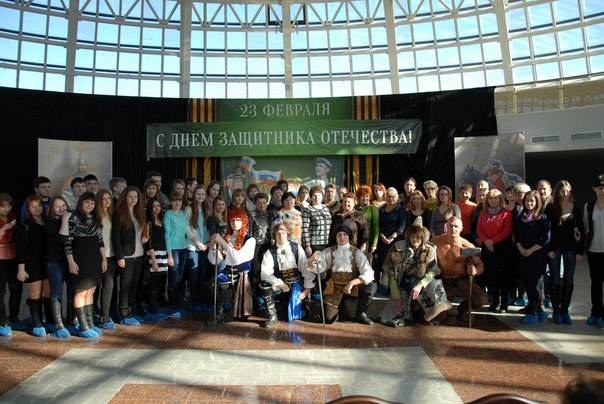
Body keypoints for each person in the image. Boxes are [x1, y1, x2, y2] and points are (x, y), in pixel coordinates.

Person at [379, 217, 451, 327]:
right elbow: (390, 272)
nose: (415, 239)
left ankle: (430, 314)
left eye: (418, 237)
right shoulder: (398, 248)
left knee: (434, 285)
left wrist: (420, 285)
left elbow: (433, 271)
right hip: (400, 283)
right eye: (413, 236)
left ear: (423, 238)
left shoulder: (429, 250)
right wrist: (396, 295)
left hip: (420, 283)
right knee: (397, 315)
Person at [301, 224, 376, 325]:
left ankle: (361, 314)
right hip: (335, 289)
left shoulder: (357, 253)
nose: (342, 237)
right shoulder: (328, 252)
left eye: (345, 235)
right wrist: (312, 261)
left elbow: (369, 273)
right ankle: (339, 308)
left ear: (349, 236)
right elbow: (318, 268)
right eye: (339, 235)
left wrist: (352, 283)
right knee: (328, 319)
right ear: (335, 237)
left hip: (352, 288)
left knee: (371, 285)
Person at [64, 192, 107, 338]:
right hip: (80, 258)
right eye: (87, 202)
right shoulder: (73, 218)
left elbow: (100, 241)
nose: (90, 205)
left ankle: (90, 323)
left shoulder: (95, 218)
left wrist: (104, 259)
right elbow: (68, 242)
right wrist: (71, 261)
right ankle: (83, 326)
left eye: (92, 203)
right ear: (81, 202)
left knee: (91, 291)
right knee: (81, 291)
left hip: (94, 258)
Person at [545, 180, 584, 325]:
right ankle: (556, 310)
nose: (565, 193)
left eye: (568, 191)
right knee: (555, 279)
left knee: (569, 280)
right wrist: (548, 249)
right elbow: (546, 230)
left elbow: (581, 230)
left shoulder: (576, 208)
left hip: (571, 249)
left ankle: (564, 310)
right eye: (563, 191)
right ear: (557, 192)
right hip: (555, 248)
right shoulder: (551, 208)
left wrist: (580, 251)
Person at [432, 216, 487, 322]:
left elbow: (480, 264)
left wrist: (475, 271)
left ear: (461, 228)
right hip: (443, 283)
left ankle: (463, 309)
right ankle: (444, 308)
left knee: (481, 299)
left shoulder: (467, 245)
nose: (453, 229)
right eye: (450, 226)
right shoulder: (436, 242)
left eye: (456, 226)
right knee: (440, 317)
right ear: (446, 227)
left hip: (462, 283)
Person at [208, 207, 256, 324]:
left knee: (241, 317)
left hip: (243, 275)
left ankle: (235, 307)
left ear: (243, 222)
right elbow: (215, 261)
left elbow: (236, 259)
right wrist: (213, 247)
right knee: (213, 284)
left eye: (238, 220)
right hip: (228, 272)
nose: (235, 223)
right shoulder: (227, 238)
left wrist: (222, 242)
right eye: (232, 220)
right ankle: (220, 314)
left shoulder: (250, 240)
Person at [259, 224, 309, 327]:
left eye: (283, 233)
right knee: (264, 285)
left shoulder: (296, 248)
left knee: (299, 313)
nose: (281, 236)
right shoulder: (270, 252)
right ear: (274, 235)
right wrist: (280, 284)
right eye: (278, 234)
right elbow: (265, 273)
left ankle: (301, 306)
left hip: (296, 285)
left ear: (287, 234)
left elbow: (305, 268)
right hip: (281, 286)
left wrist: (307, 289)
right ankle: (272, 316)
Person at [112, 186, 148, 325]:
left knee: (135, 283)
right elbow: (115, 237)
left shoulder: (140, 213)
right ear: (125, 198)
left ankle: (132, 308)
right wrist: (119, 256)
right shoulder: (119, 213)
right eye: (130, 196)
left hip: (139, 253)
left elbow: (142, 231)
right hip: (126, 255)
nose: (133, 199)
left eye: (135, 197)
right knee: (125, 284)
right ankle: (124, 311)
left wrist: (145, 238)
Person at [514, 190, 550, 324]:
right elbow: (516, 235)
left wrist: (530, 250)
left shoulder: (542, 217)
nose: (529, 203)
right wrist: (521, 248)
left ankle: (533, 312)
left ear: (537, 202)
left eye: (532, 200)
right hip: (523, 255)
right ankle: (535, 307)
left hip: (536, 256)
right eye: (527, 200)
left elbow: (546, 238)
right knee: (526, 282)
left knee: (535, 284)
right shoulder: (521, 217)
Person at [17, 195, 49, 337]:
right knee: (35, 296)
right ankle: (37, 323)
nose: (36, 209)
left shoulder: (49, 223)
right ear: (28, 209)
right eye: (32, 207)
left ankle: (49, 320)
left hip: (48, 263)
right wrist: (21, 269)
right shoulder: (25, 226)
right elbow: (21, 249)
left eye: (39, 206)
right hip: (31, 264)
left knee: (49, 294)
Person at [477, 189, 514, 313]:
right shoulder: (484, 212)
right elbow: (479, 229)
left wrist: (492, 241)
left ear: (500, 199)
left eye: (496, 198)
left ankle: (504, 303)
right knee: (490, 275)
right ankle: (495, 300)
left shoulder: (506, 213)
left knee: (503, 276)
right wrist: (486, 242)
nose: (493, 201)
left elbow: (507, 231)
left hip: (502, 247)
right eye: (491, 198)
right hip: (487, 247)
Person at [44, 196, 72, 338]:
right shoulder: (49, 222)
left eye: (63, 205)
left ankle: (70, 321)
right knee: (56, 292)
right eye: (57, 206)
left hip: (69, 260)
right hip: (54, 261)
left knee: (72, 291)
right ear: (52, 208)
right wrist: (66, 219)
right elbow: (62, 238)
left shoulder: (69, 218)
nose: (61, 208)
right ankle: (58, 324)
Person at [0, 193, 24, 336]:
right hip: (1, 257)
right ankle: (3, 321)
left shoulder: (13, 215)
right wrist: (4, 229)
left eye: (9, 205)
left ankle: (14, 317)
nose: (6, 209)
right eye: (2, 206)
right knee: (1, 290)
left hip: (13, 255)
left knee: (16, 288)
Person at [94, 189, 117, 330]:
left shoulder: (112, 215)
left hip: (112, 255)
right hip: (98, 257)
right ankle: (93, 315)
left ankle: (105, 316)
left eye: (109, 198)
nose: (107, 201)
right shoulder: (95, 217)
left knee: (109, 286)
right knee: (95, 287)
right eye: (104, 198)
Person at [185, 185, 210, 311]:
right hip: (193, 246)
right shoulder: (189, 209)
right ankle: (195, 302)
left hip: (205, 246)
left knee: (203, 275)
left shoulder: (208, 209)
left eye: (203, 194)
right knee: (193, 274)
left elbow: (209, 228)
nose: (200, 196)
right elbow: (186, 228)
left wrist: (207, 243)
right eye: (198, 194)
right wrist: (197, 242)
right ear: (194, 195)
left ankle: (202, 301)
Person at [583, 174, 604, 328]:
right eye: (600, 188)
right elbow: (586, 227)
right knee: (596, 282)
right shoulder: (589, 206)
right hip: (594, 250)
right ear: (594, 189)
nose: (603, 191)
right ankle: (595, 312)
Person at [163, 192, 188, 314]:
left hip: (183, 247)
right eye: (174, 200)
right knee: (174, 277)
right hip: (173, 249)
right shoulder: (168, 214)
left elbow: (186, 231)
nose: (177, 203)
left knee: (180, 277)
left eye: (179, 200)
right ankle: (172, 304)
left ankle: (179, 302)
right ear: (170, 202)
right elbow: (167, 235)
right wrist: (169, 255)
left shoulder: (182, 214)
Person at [144, 197, 169, 321]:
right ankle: (152, 310)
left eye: (159, 205)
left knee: (160, 283)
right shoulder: (149, 223)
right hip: (154, 255)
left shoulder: (162, 220)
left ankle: (156, 307)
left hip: (163, 253)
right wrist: (153, 260)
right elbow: (149, 243)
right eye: (154, 206)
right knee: (154, 284)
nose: (157, 208)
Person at [376, 187, 406, 285]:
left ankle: (393, 286)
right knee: (383, 262)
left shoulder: (400, 209)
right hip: (382, 240)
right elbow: (378, 224)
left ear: (397, 197)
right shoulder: (382, 209)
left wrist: (392, 237)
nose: (391, 199)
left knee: (394, 263)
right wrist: (381, 235)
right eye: (388, 197)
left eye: (393, 197)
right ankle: (383, 285)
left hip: (395, 240)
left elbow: (402, 224)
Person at [301, 185, 332, 258]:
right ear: (311, 197)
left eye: (319, 195)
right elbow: (305, 229)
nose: (317, 197)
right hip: (315, 244)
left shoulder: (327, 208)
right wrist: (307, 246)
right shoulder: (308, 210)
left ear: (322, 196)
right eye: (314, 195)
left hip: (328, 243)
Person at [249, 193, 272, 288]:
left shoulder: (271, 214)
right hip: (256, 246)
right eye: (259, 203)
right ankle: (257, 291)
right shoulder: (251, 215)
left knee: (268, 269)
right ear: (255, 204)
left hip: (269, 245)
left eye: (264, 203)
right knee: (256, 269)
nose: (262, 205)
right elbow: (249, 232)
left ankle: (267, 290)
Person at [355, 185, 379, 258]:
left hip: (368, 241)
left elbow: (376, 226)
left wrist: (374, 244)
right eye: (363, 196)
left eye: (367, 196)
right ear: (359, 197)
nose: (365, 198)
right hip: (356, 240)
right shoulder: (356, 208)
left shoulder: (373, 208)